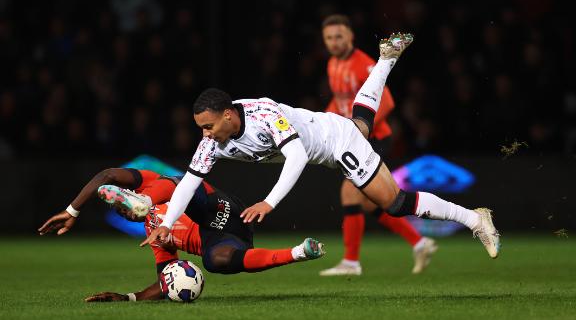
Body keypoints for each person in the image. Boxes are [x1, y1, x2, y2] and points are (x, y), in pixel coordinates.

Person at [142, 33, 500, 263]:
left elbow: (297, 156)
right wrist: (168, 223)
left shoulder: (263, 113)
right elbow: (189, 180)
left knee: (394, 203)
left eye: (208, 126)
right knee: (359, 124)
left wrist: (270, 201)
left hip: (335, 144)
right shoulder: (213, 140)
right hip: (327, 128)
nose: (205, 135)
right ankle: (387, 60)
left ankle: (475, 219)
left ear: (229, 115)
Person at [38, 168, 325, 302]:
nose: (123, 213)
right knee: (215, 261)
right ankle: (300, 252)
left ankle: (147, 201)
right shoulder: (152, 232)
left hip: (217, 206)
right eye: (122, 212)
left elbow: (107, 175)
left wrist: (73, 210)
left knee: (181, 183)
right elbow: (167, 278)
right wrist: (129, 297)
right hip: (228, 239)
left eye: (123, 206)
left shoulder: (149, 182)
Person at [319, 14, 436, 276]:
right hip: (352, 136)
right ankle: (420, 242)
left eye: (339, 36)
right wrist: (321, 123)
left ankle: (351, 263)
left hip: (375, 137)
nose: (334, 42)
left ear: (351, 36)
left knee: (350, 193)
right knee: (372, 201)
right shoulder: (332, 65)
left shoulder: (364, 64)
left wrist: (360, 127)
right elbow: (338, 104)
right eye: (329, 38)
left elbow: (388, 102)